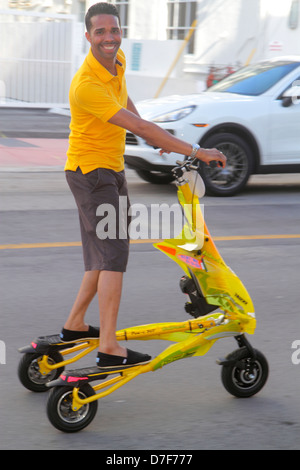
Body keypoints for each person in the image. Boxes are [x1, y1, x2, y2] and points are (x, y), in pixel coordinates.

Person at [60, 2, 226, 369]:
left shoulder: (115, 65)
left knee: (101, 257)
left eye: (114, 30)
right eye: (100, 32)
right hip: (94, 175)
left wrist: (158, 138)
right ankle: (109, 347)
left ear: (121, 33)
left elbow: (128, 108)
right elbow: (139, 127)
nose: (109, 37)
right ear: (88, 37)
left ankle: (74, 324)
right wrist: (197, 150)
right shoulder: (87, 83)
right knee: (114, 258)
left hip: (108, 171)